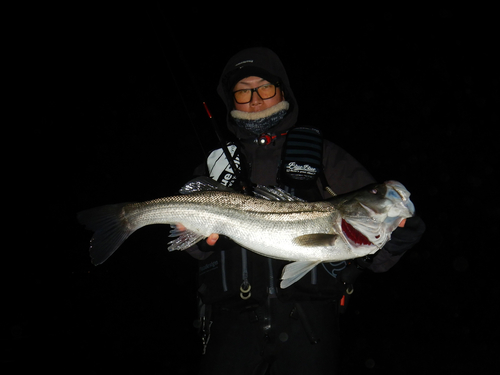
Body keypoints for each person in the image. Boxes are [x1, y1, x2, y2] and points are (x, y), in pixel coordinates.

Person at [180, 47, 425, 374]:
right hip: (230, 326)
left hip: (309, 327)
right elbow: (192, 246)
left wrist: (399, 235)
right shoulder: (217, 163)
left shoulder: (325, 155)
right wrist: (198, 242)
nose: (255, 99)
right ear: (231, 100)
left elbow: (375, 249)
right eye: (242, 91)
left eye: (264, 87)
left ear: (283, 92)